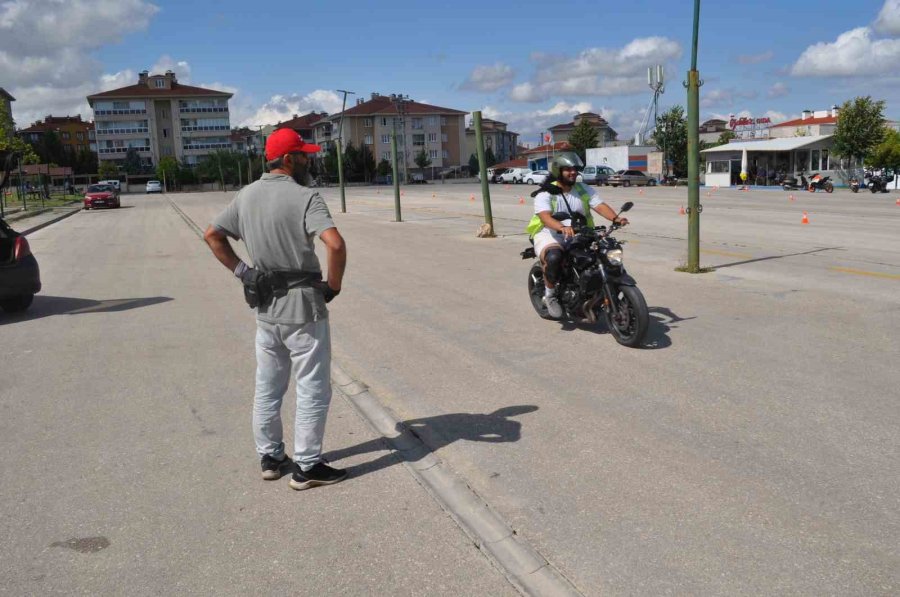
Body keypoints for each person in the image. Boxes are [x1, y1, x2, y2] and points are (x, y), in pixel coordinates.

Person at [203, 128, 348, 491]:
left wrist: (244, 273)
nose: (308, 160)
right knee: (312, 387)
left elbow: (212, 235)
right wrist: (333, 286)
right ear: (288, 160)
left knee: (268, 386)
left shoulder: (246, 195)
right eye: (303, 155)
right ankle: (308, 465)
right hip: (303, 309)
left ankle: (270, 457)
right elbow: (335, 244)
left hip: (266, 309)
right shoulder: (305, 197)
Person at [525, 154, 628, 319]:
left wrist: (616, 218)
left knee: (603, 254)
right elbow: (545, 217)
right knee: (554, 257)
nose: (573, 172)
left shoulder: (583, 189)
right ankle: (550, 295)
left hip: (580, 231)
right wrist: (561, 227)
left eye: (575, 169)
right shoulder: (545, 193)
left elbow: (599, 206)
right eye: (568, 169)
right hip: (549, 233)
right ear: (558, 171)